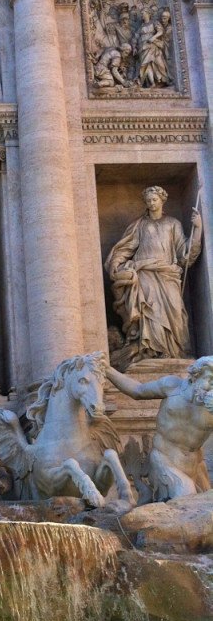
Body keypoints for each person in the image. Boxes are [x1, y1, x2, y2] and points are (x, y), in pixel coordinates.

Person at [105, 186, 202, 363]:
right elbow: (127, 247)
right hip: (145, 273)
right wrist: (116, 261)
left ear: (162, 200)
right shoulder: (139, 225)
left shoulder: (173, 224)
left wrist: (197, 229)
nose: (151, 203)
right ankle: (151, 351)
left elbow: (185, 254)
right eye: (148, 201)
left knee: (175, 311)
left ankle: (174, 351)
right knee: (150, 310)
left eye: (154, 200)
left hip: (167, 274)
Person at [106, 358, 213, 500]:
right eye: (210, 380)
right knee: (188, 500)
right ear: (195, 377)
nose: (212, 389)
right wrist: (107, 370)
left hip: (196, 466)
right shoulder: (172, 386)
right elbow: (137, 391)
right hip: (164, 460)